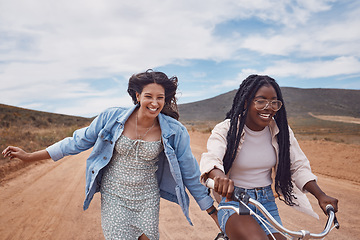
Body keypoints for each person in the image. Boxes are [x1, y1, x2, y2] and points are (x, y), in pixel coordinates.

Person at [2, 70, 218, 240]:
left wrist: (212, 211)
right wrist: (29, 156)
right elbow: (76, 142)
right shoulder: (111, 118)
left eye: (160, 98)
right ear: (137, 96)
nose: (155, 102)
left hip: (147, 197)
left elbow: (189, 172)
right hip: (115, 194)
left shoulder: (174, 130)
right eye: (148, 96)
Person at [199, 74, 338, 240]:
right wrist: (219, 177)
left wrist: (321, 195)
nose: (269, 107)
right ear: (246, 102)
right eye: (261, 101)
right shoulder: (226, 130)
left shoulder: (281, 131)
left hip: (267, 204)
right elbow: (212, 158)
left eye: (274, 102)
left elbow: (298, 166)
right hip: (235, 202)